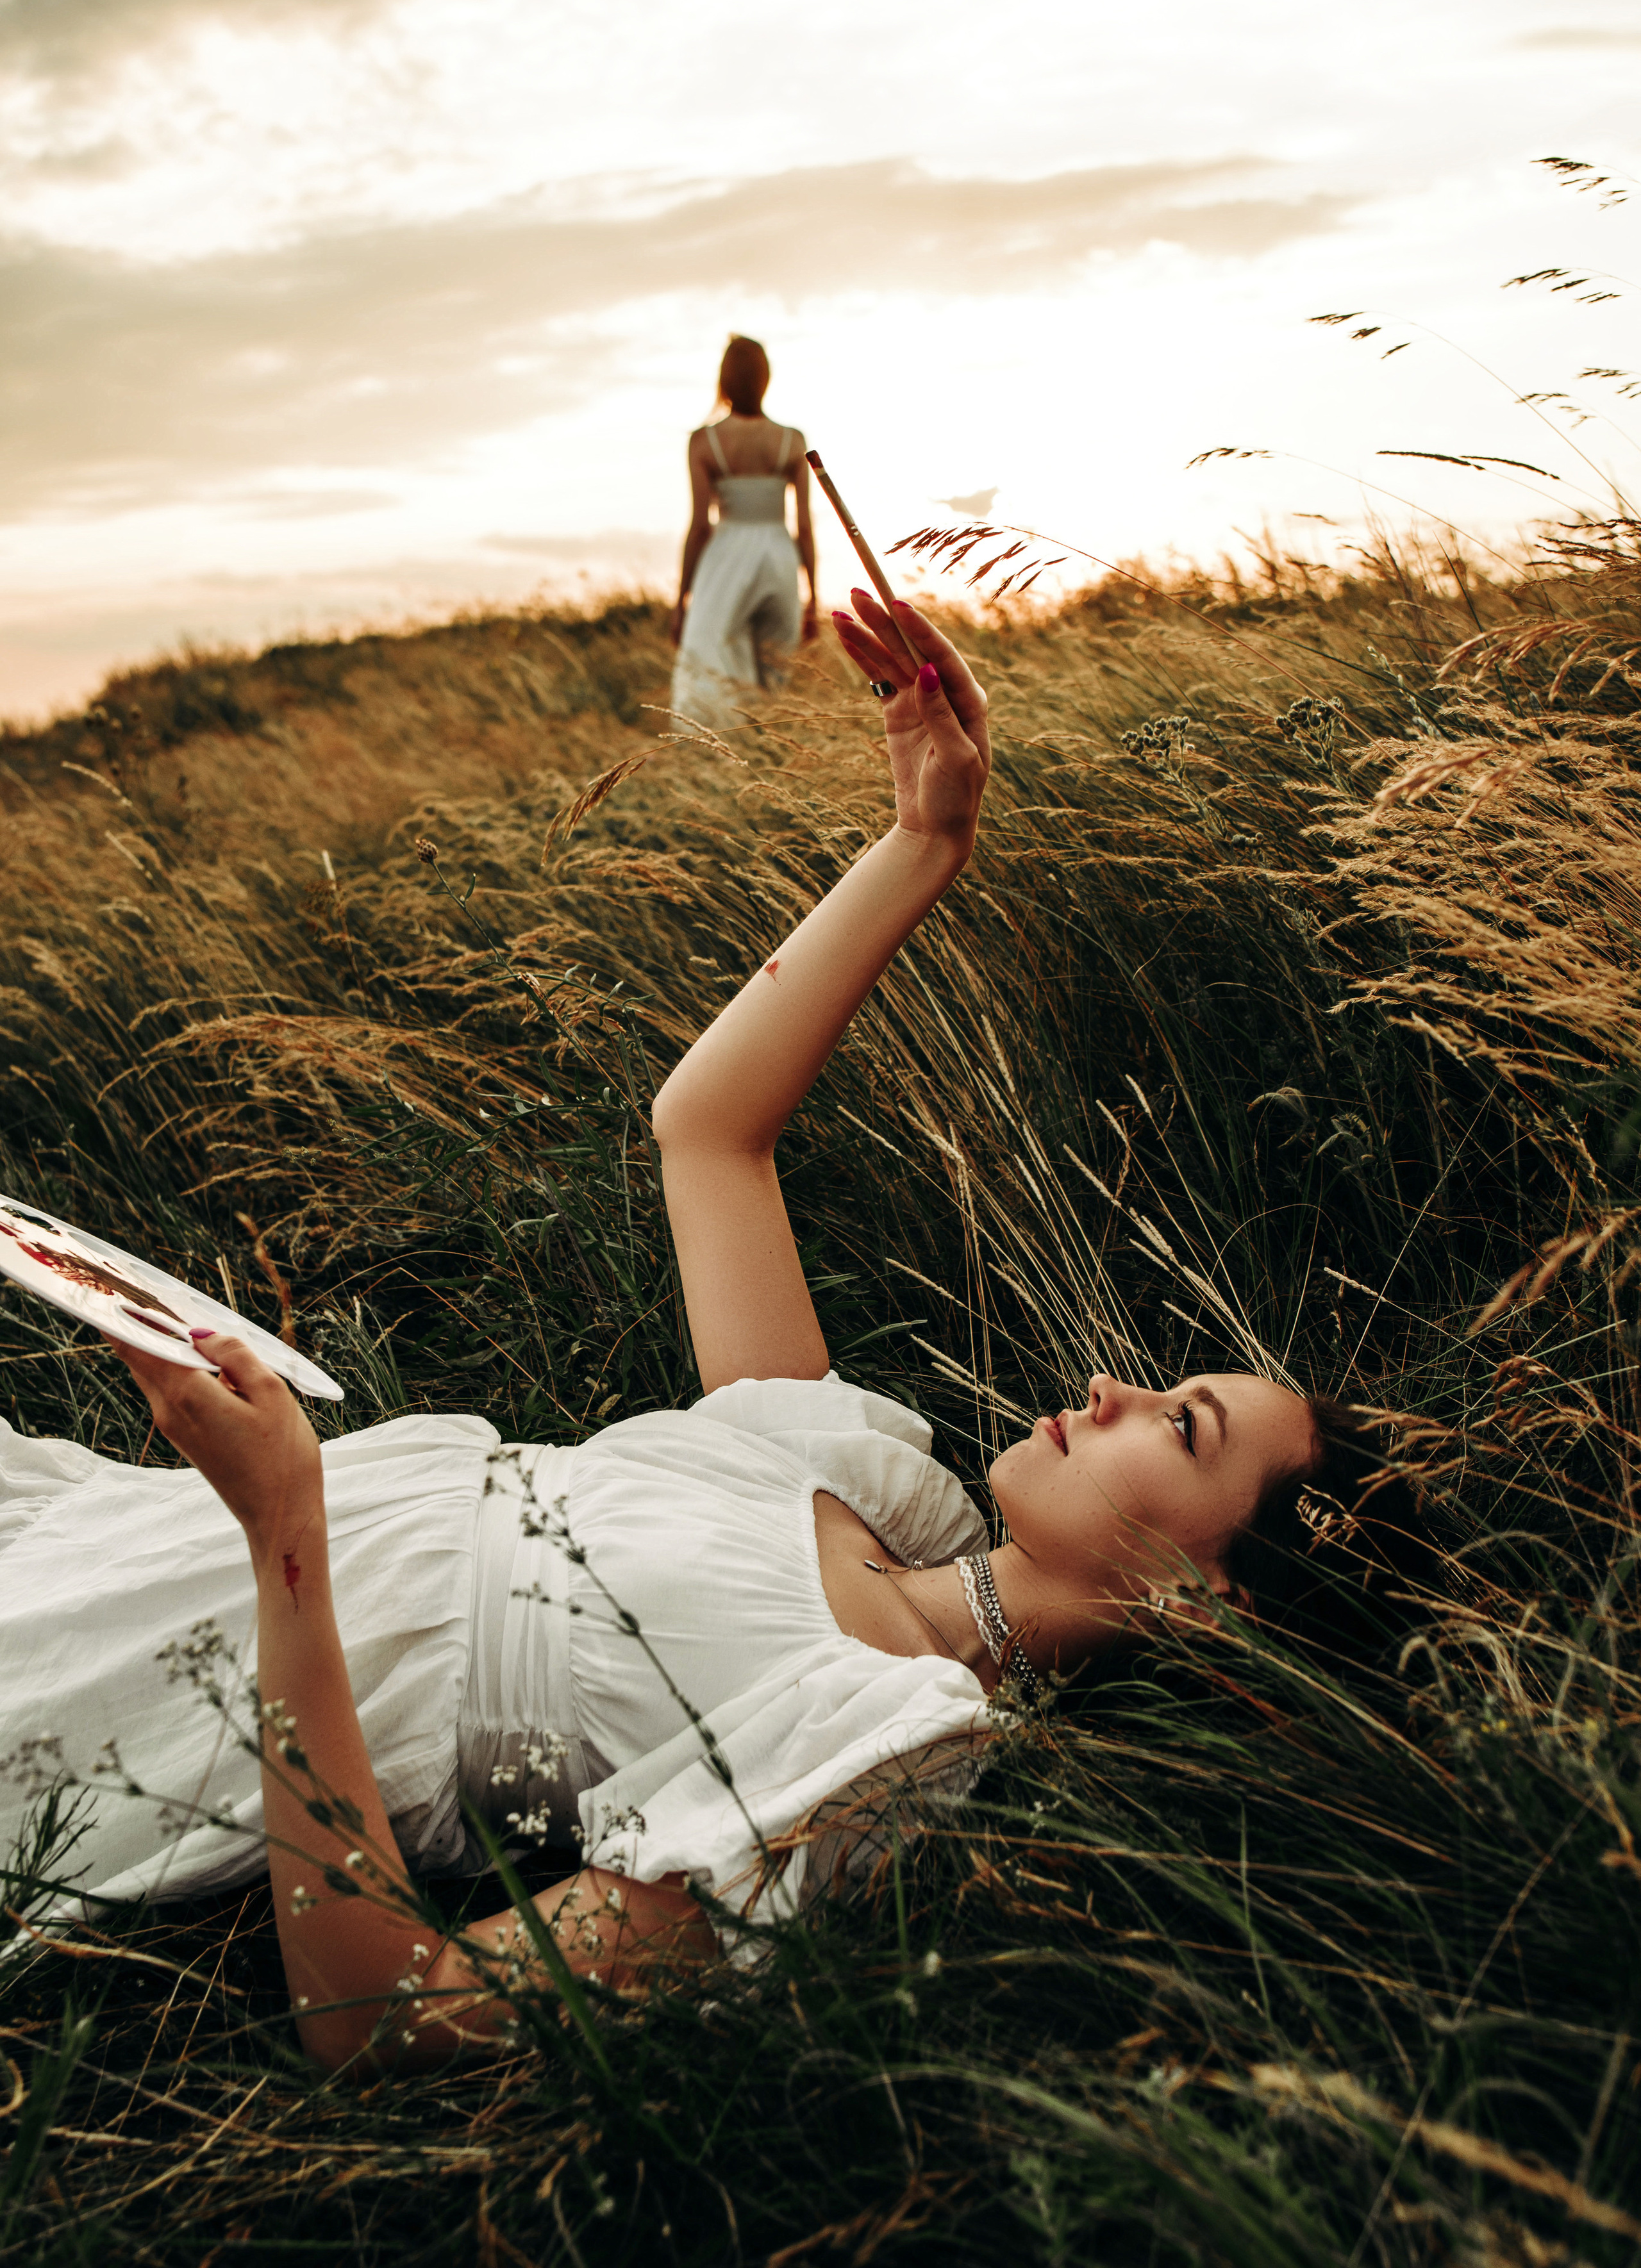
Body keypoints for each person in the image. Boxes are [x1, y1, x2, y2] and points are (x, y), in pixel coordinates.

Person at [0, 597, 1432, 2075]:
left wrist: (285, 1532)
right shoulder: (878, 1496)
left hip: (200, 1673)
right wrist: (921, 841)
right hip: (149, 1546)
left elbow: (382, 2010)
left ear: (1206, 1605)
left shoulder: (878, 1758)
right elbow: (708, 1134)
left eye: (1179, 1423)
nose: (1110, 1384)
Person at [667, 336, 818, 725]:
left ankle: (720, 755)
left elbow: (699, 526)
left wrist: (682, 598)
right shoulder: (792, 440)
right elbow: (804, 525)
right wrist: (813, 597)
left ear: (725, 381)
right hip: (779, 555)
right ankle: (772, 755)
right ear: (765, 379)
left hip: (727, 554)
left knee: (710, 656)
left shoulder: (704, 442)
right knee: (776, 673)